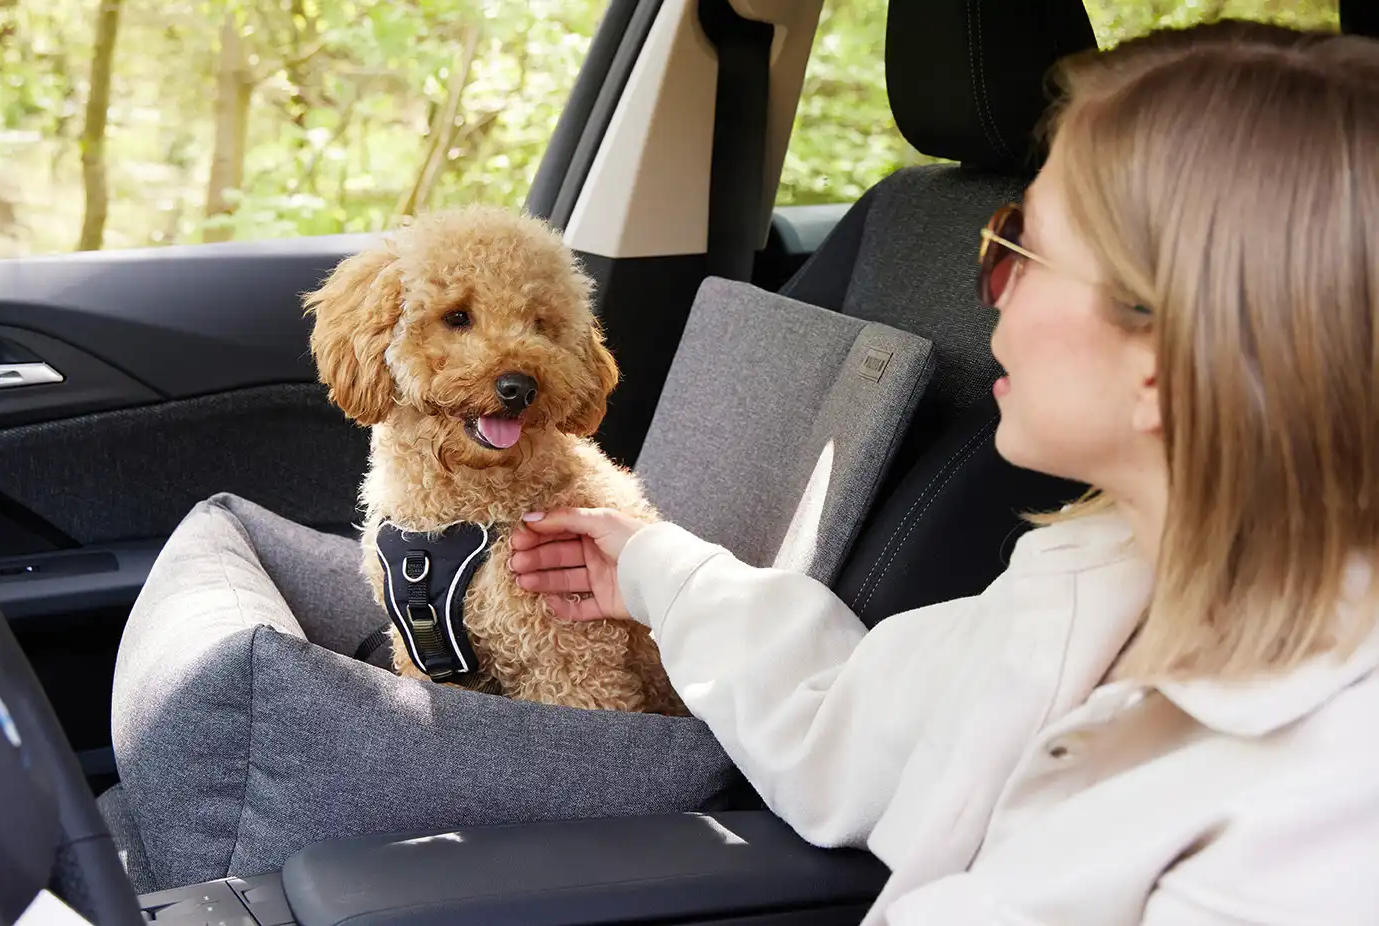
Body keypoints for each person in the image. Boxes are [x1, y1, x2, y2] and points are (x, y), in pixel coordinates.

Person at [510, 20, 1379, 926]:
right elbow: (843, 719)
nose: (988, 288)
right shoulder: (1090, 576)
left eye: (1019, 249)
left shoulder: (1321, 823)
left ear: (1167, 357)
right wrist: (657, 571)